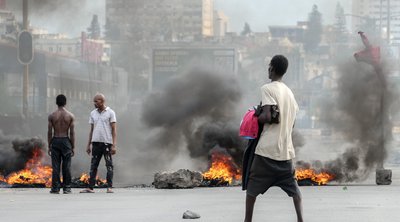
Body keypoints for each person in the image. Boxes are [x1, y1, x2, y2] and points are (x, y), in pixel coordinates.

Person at [244, 55, 303, 222]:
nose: (268, 70)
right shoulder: (290, 93)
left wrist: (256, 115)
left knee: (252, 188)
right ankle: (301, 219)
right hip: (286, 152)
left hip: (266, 151)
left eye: (269, 67)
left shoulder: (267, 89)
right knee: (294, 190)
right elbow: (291, 122)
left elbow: (268, 116)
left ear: (272, 69)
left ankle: (247, 221)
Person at [80, 93, 117, 193]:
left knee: (109, 165)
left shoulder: (110, 112)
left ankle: (109, 187)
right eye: (94, 101)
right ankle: (90, 187)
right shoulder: (93, 113)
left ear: (102, 101)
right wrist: (89, 145)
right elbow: (91, 130)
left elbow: (114, 130)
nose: (94, 103)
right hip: (95, 143)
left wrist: (114, 145)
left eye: (96, 101)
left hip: (106, 143)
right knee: (93, 165)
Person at [48, 94, 75, 194]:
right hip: (65, 141)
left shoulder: (52, 115)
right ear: (65, 103)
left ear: (56, 102)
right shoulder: (70, 116)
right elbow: (72, 133)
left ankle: (55, 188)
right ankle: (67, 188)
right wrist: (73, 146)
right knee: (67, 165)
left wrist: (49, 145)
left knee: (56, 166)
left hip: (55, 140)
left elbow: (49, 132)